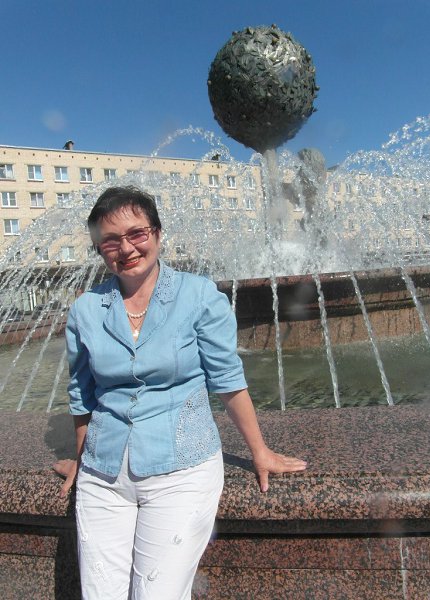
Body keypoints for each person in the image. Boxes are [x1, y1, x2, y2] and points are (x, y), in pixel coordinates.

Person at [55, 186, 307, 600]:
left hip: (181, 470)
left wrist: (259, 451)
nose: (126, 249)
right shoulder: (86, 309)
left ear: (157, 233)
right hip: (103, 476)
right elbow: (82, 394)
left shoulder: (198, 295)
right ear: (99, 250)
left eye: (137, 233)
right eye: (110, 241)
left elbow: (227, 379)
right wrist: (84, 460)